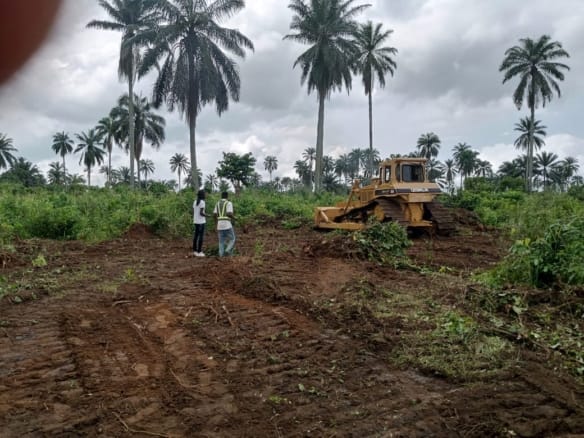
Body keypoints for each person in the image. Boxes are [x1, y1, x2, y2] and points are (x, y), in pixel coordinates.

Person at [213, 191, 235, 257]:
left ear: (221, 196)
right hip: (227, 224)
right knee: (232, 239)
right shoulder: (229, 203)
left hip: (219, 225)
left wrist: (215, 224)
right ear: (227, 196)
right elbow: (229, 213)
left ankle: (221, 256)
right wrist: (234, 218)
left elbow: (214, 214)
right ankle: (227, 250)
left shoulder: (217, 203)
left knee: (221, 242)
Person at [192, 189, 207, 257]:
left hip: (196, 221)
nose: (205, 195)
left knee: (196, 235)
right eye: (205, 194)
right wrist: (208, 215)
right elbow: (201, 213)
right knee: (201, 236)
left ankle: (195, 250)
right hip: (201, 221)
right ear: (202, 195)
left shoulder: (195, 201)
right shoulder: (202, 202)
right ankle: (199, 251)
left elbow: (193, 212)